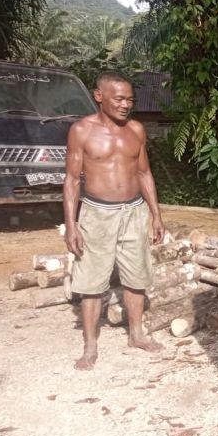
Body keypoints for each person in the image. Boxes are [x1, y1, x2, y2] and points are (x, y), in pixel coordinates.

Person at [63, 71, 165, 371]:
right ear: (99, 96)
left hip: (134, 211)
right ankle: (90, 346)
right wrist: (71, 223)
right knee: (93, 280)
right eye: (118, 98)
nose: (125, 105)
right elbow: (70, 180)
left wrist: (156, 214)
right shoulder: (81, 131)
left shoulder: (136, 129)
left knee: (136, 275)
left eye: (129, 99)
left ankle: (136, 334)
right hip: (96, 213)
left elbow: (144, 173)